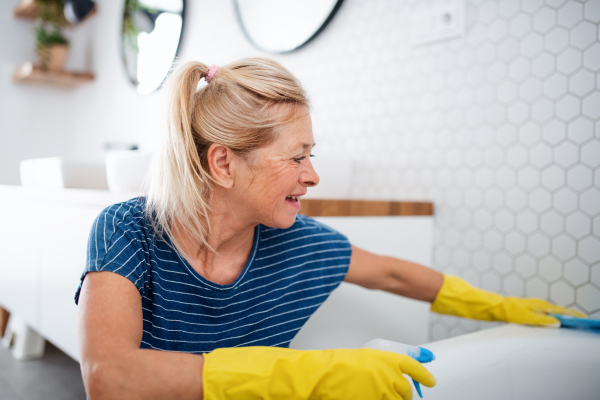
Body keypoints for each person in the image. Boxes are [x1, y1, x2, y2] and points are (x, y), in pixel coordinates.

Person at [75, 58, 584, 400]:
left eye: (310, 156)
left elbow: (393, 276)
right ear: (224, 164)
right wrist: (311, 374)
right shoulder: (127, 230)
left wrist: (505, 308)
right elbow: (108, 376)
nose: (312, 174)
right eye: (297, 157)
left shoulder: (299, 243)